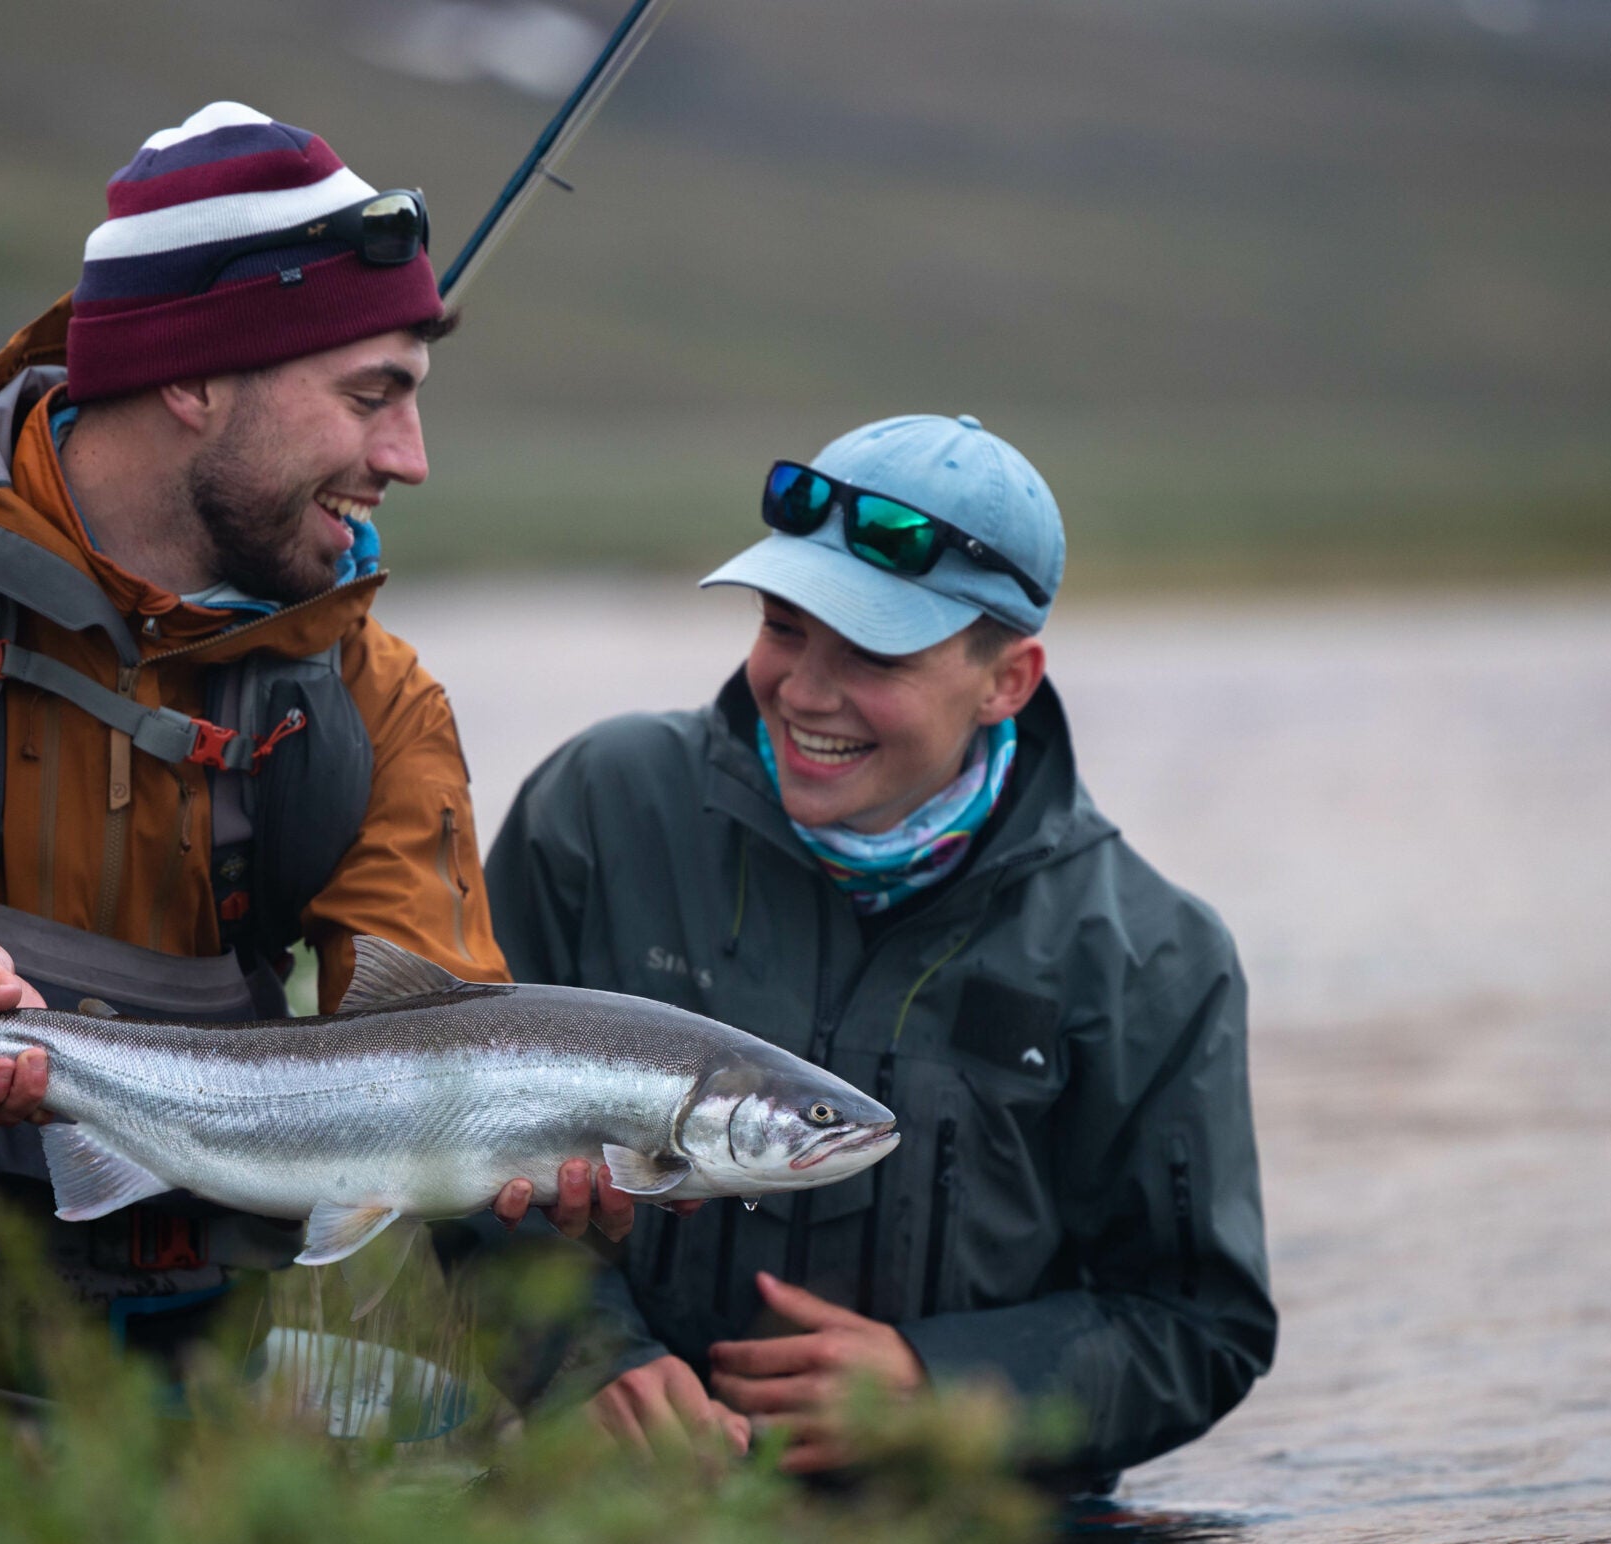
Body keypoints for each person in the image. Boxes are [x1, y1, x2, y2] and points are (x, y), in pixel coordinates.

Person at [0, 102, 620, 1399]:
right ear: (194, 379)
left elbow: (442, 1029)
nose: (408, 459)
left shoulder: (379, 698)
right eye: (371, 396)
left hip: (198, 1386)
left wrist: (531, 1149)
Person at [482, 414, 1276, 1481]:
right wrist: (582, 1358)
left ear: (1009, 680)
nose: (805, 690)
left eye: (873, 652)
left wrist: (937, 1389)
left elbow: (1198, 1325)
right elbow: (430, 1137)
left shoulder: (1152, 956)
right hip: (629, 1532)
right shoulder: (599, 808)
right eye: (783, 625)